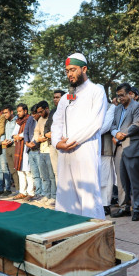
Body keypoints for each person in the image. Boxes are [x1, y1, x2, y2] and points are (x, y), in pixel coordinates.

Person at [51, 53, 107, 219]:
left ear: (84, 69)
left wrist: (69, 141)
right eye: (67, 71)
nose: (69, 74)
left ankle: (92, 235)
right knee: (66, 195)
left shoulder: (97, 91)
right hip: (65, 152)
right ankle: (65, 233)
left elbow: (95, 123)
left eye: (73, 70)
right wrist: (56, 142)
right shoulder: (65, 98)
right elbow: (57, 123)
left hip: (85, 151)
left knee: (88, 195)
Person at [110, 83, 139, 221]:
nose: (120, 98)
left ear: (130, 93)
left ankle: (137, 209)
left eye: (122, 95)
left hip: (131, 146)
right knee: (121, 180)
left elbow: (137, 124)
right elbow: (112, 125)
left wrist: (121, 135)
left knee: (135, 180)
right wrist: (115, 133)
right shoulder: (117, 109)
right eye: (118, 96)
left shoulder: (138, 106)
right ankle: (124, 207)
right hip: (118, 148)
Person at [35, 100, 56, 205]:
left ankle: (54, 197)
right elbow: (36, 132)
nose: (40, 114)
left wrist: (45, 136)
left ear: (47, 108)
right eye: (38, 112)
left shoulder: (52, 117)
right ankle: (46, 195)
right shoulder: (40, 120)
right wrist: (38, 138)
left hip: (50, 150)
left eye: (41, 111)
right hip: (41, 150)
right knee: (44, 176)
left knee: (52, 176)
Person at [12, 103, 33, 200]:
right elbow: (14, 134)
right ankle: (22, 192)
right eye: (18, 111)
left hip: (26, 148)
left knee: (28, 171)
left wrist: (19, 136)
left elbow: (28, 133)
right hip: (19, 148)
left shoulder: (30, 119)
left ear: (25, 111)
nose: (18, 113)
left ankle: (30, 192)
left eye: (20, 111)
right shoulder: (18, 121)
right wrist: (16, 136)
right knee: (20, 171)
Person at [44, 89, 66, 178]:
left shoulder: (69, 109)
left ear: (64, 98)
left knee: (65, 171)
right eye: (54, 97)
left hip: (63, 144)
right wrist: (46, 134)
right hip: (52, 144)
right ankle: (59, 192)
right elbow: (47, 125)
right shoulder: (53, 111)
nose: (55, 99)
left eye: (57, 97)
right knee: (56, 172)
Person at [100, 97, 116, 215]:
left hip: (105, 148)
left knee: (106, 177)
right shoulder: (91, 108)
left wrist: (88, 131)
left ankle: (106, 204)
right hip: (92, 150)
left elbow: (105, 127)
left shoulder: (111, 107)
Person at [24, 105, 42, 201]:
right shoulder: (30, 118)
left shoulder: (43, 119)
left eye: (35, 113)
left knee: (41, 173)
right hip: (30, 150)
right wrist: (27, 143)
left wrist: (34, 143)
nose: (33, 115)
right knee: (35, 174)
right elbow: (25, 131)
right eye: (32, 113)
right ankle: (38, 192)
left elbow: (41, 134)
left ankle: (43, 193)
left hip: (39, 149)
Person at [2, 105, 18, 196]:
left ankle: (20, 190)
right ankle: (17, 190)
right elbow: (5, 134)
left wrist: (10, 140)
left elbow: (17, 134)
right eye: (4, 113)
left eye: (6, 112)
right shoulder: (6, 122)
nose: (5, 114)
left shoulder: (16, 121)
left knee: (17, 169)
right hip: (7, 147)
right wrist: (3, 141)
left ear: (11, 112)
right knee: (11, 170)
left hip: (14, 146)